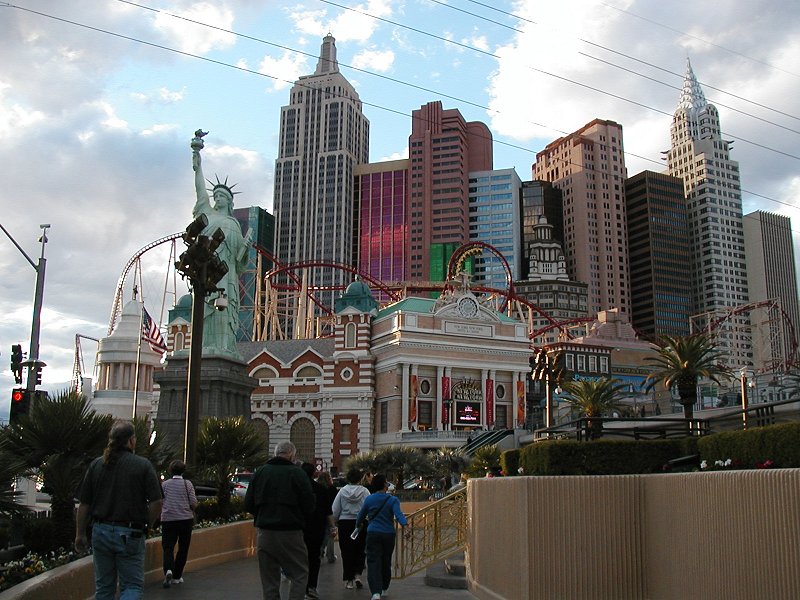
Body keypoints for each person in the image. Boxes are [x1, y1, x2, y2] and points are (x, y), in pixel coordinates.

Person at [75, 421, 163, 600]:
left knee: (104, 588)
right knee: (132, 586)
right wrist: (147, 524)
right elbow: (157, 502)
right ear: (131, 440)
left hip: (100, 531)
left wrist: (80, 533)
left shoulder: (97, 465)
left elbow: (84, 504)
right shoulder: (142, 465)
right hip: (130, 533)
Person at [190, 131, 252, 356]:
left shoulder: (233, 224)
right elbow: (199, 188)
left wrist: (245, 248)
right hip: (205, 271)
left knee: (225, 308)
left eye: (222, 196)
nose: (217, 199)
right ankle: (204, 347)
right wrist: (197, 160)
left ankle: (224, 347)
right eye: (215, 195)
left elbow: (239, 262)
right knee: (205, 306)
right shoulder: (206, 213)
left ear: (230, 201)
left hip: (227, 274)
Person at [245, 441, 315, 600]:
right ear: (292, 455)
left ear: (276, 453)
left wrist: (263, 514)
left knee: (269, 578)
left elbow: (248, 503)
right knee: (299, 573)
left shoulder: (260, 472)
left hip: (265, 533)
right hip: (291, 532)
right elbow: (309, 505)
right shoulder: (297, 473)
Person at [355, 474, 409, 600]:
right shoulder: (393, 500)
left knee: (373, 561)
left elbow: (360, 516)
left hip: (373, 533)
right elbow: (399, 515)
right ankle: (384, 587)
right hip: (388, 534)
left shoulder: (369, 499)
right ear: (385, 485)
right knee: (386, 561)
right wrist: (406, 526)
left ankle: (375, 592)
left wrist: (358, 525)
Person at [160, 460, 197, 588]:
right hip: (185, 520)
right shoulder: (188, 484)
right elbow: (193, 502)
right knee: (183, 547)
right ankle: (177, 576)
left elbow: (160, 501)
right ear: (183, 471)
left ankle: (168, 569)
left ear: (170, 471)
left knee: (168, 546)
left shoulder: (165, 485)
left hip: (168, 520)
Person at [301, 464, 335, 600]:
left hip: (299, 528)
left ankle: (300, 586)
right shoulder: (321, 489)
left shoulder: (297, 488)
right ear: (314, 473)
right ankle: (311, 587)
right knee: (314, 558)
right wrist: (332, 527)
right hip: (316, 528)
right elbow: (328, 511)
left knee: (300, 558)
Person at [332, 468, 370, 590]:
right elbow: (369, 507)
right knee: (360, 549)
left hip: (345, 523)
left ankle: (349, 580)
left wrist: (335, 522)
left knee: (346, 551)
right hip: (361, 523)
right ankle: (358, 575)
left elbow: (335, 509)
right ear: (360, 478)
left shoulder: (342, 491)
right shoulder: (365, 491)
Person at [317, 471, 339, 563]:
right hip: (331, 514)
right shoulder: (332, 489)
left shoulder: (318, 488)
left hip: (320, 515)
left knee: (321, 534)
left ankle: (320, 552)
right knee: (331, 535)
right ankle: (330, 555)